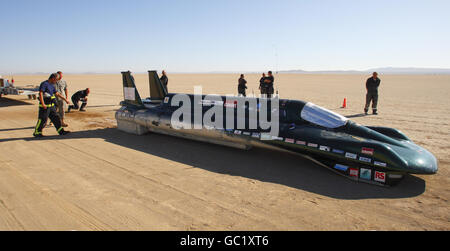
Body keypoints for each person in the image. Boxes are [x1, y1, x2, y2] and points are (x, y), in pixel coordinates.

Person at [33, 73, 71, 138]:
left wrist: (65, 99)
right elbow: (41, 93)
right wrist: (43, 103)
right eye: (56, 80)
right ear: (53, 78)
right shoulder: (44, 84)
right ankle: (37, 132)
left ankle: (61, 131)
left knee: (56, 118)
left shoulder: (52, 85)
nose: (56, 81)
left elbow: (57, 94)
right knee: (42, 120)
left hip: (51, 106)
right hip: (45, 106)